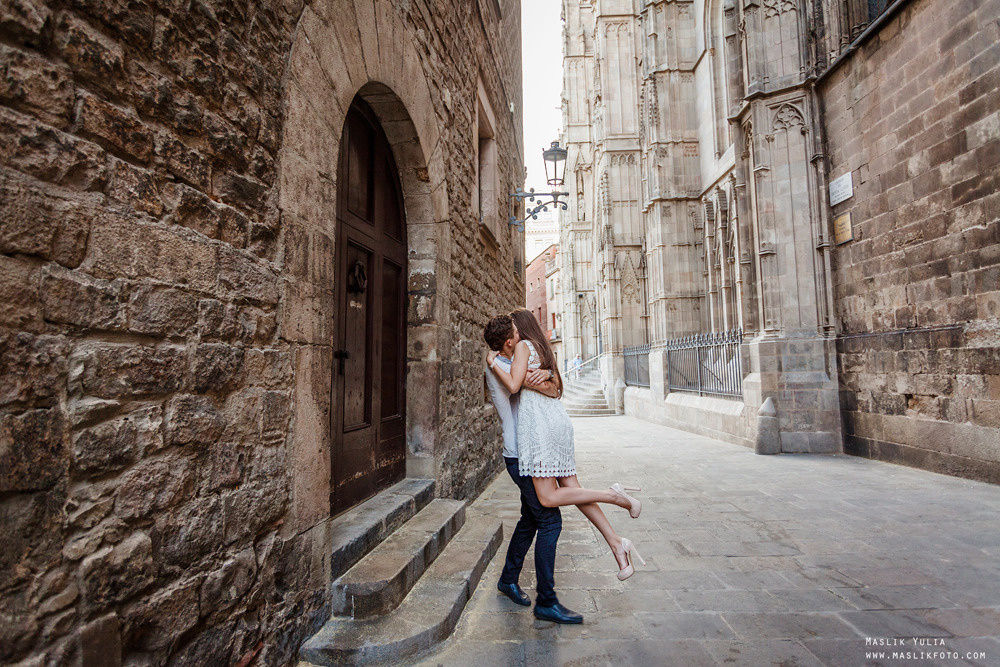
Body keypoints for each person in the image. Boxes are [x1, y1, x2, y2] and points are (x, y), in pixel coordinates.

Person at [487, 309, 645, 593]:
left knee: (547, 503)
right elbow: (553, 389)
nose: (516, 332)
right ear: (508, 340)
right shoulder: (528, 354)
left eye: (515, 326)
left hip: (535, 437)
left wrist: (543, 376)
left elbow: (525, 384)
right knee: (565, 493)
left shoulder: (519, 351)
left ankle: (613, 495)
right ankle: (616, 544)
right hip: (553, 425)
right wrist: (547, 375)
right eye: (512, 330)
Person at [482, 315, 581, 623]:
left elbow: (551, 385)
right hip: (519, 454)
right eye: (517, 333)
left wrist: (549, 372)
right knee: (550, 521)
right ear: (510, 342)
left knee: (531, 518)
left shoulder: (512, 360)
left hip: (526, 451)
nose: (522, 336)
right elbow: (519, 383)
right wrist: (545, 373)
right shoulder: (499, 365)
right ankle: (546, 602)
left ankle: (509, 578)